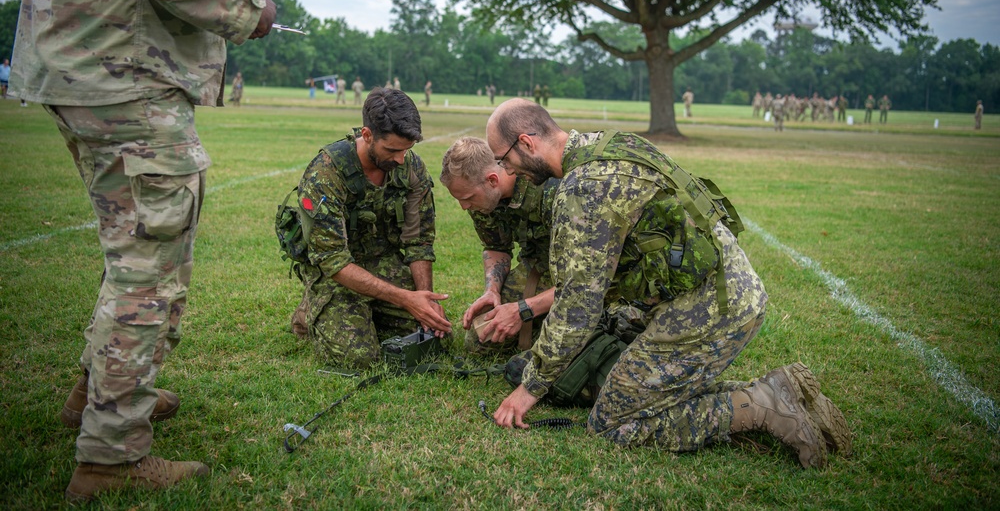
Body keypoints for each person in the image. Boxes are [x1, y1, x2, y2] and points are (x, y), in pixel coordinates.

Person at [8, 0, 277, 501]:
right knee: (151, 261)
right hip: (119, 59)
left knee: (131, 248)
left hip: (87, 54)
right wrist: (251, 9)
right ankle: (112, 454)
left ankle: (98, 395)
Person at [484, 100, 850, 468]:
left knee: (613, 423)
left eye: (504, 158)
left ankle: (763, 406)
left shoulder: (583, 189)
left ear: (527, 142)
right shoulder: (612, 144)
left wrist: (529, 388)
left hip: (706, 310)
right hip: (731, 288)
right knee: (643, 392)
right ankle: (784, 392)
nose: (506, 168)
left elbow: (576, 307)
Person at [289, 88, 450, 368]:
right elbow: (333, 260)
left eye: (406, 150)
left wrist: (425, 299)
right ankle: (310, 309)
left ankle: (369, 311)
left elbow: (418, 241)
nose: (400, 159)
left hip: (383, 262)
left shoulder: (410, 168)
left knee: (434, 338)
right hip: (336, 273)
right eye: (392, 150)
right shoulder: (326, 174)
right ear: (367, 135)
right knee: (359, 359)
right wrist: (405, 299)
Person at [439, 137, 558, 355]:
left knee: (562, 346)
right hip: (538, 268)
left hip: (579, 274)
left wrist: (523, 310)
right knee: (481, 340)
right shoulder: (483, 201)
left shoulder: (548, 189)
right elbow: (496, 247)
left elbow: (586, 279)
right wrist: (491, 290)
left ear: (493, 180)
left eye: (467, 198)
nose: (464, 207)